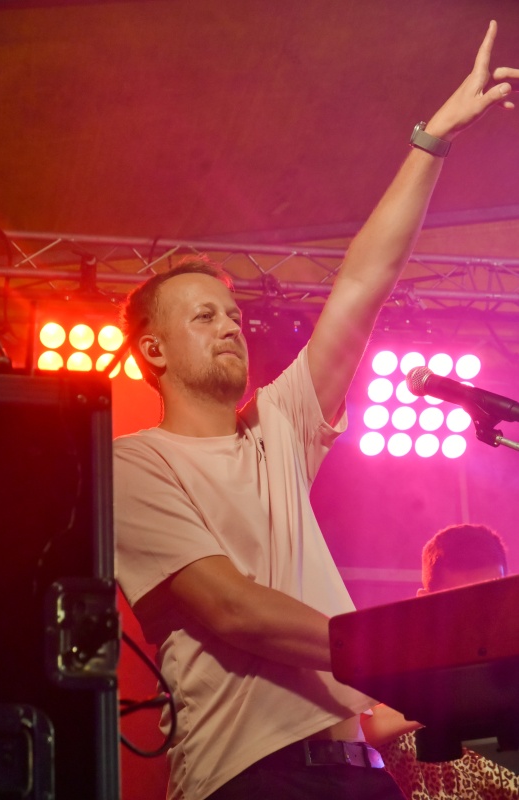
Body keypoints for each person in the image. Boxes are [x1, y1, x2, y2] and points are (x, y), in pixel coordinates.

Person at [113, 22, 519, 800]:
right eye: (203, 316)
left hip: (357, 770)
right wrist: (402, 653)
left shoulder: (276, 427)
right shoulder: (131, 463)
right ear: (152, 351)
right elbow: (234, 611)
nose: (229, 326)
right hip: (248, 778)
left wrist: (431, 139)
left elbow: (363, 282)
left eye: (232, 314)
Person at [377, 523, 519, 800]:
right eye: (460, 603)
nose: (478, 617)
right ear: (425, 604)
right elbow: (361, 730)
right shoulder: (390, 673)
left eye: (491, 598)